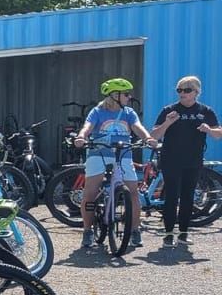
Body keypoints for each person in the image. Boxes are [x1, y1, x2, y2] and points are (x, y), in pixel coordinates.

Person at [73, 77, 153, 248]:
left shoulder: (129, 113)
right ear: (114, 95)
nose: (129, 97)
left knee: (133, 192)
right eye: (126, 94)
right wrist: (82, 136)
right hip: (99, 154)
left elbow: (137, 127)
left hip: (123, 154)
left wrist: (147, 138)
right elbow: (87, 126)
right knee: (90, 192)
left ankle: (135, 230)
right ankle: (87, 230)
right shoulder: (98, 111)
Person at [150, 75, 222, 244]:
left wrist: (208, 130)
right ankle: (168, 234)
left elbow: (218, 134)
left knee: (188, 196)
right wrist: (167, 123)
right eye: (179, 90)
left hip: (193, 159)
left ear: (196, 92)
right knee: (172, 196)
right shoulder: (169, 110)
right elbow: (153, 135)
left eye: (187, 90)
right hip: (171, 159)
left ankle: (183, 233)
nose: (182, 93)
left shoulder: (205, 111)